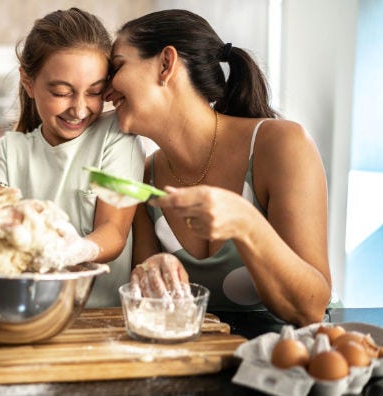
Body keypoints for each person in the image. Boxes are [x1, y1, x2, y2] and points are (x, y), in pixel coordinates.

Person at [107, 9, 331, 326]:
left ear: (165, 65)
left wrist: (245, 222)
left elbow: (310, 309)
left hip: (284, 363)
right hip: (200, 361)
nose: (106, 91)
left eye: (117, 67)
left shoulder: (282, 145)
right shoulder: (144, 177)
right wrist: (146, 276)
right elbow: (153, 310)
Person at [0, 8, 147, 307]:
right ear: (28, 83)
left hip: (101, 319)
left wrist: (78, 249)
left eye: (94, 92)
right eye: (61, 92)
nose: (80, 109)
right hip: (28, 311)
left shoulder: (116, 135)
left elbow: (114, 231)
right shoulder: (10, 150)